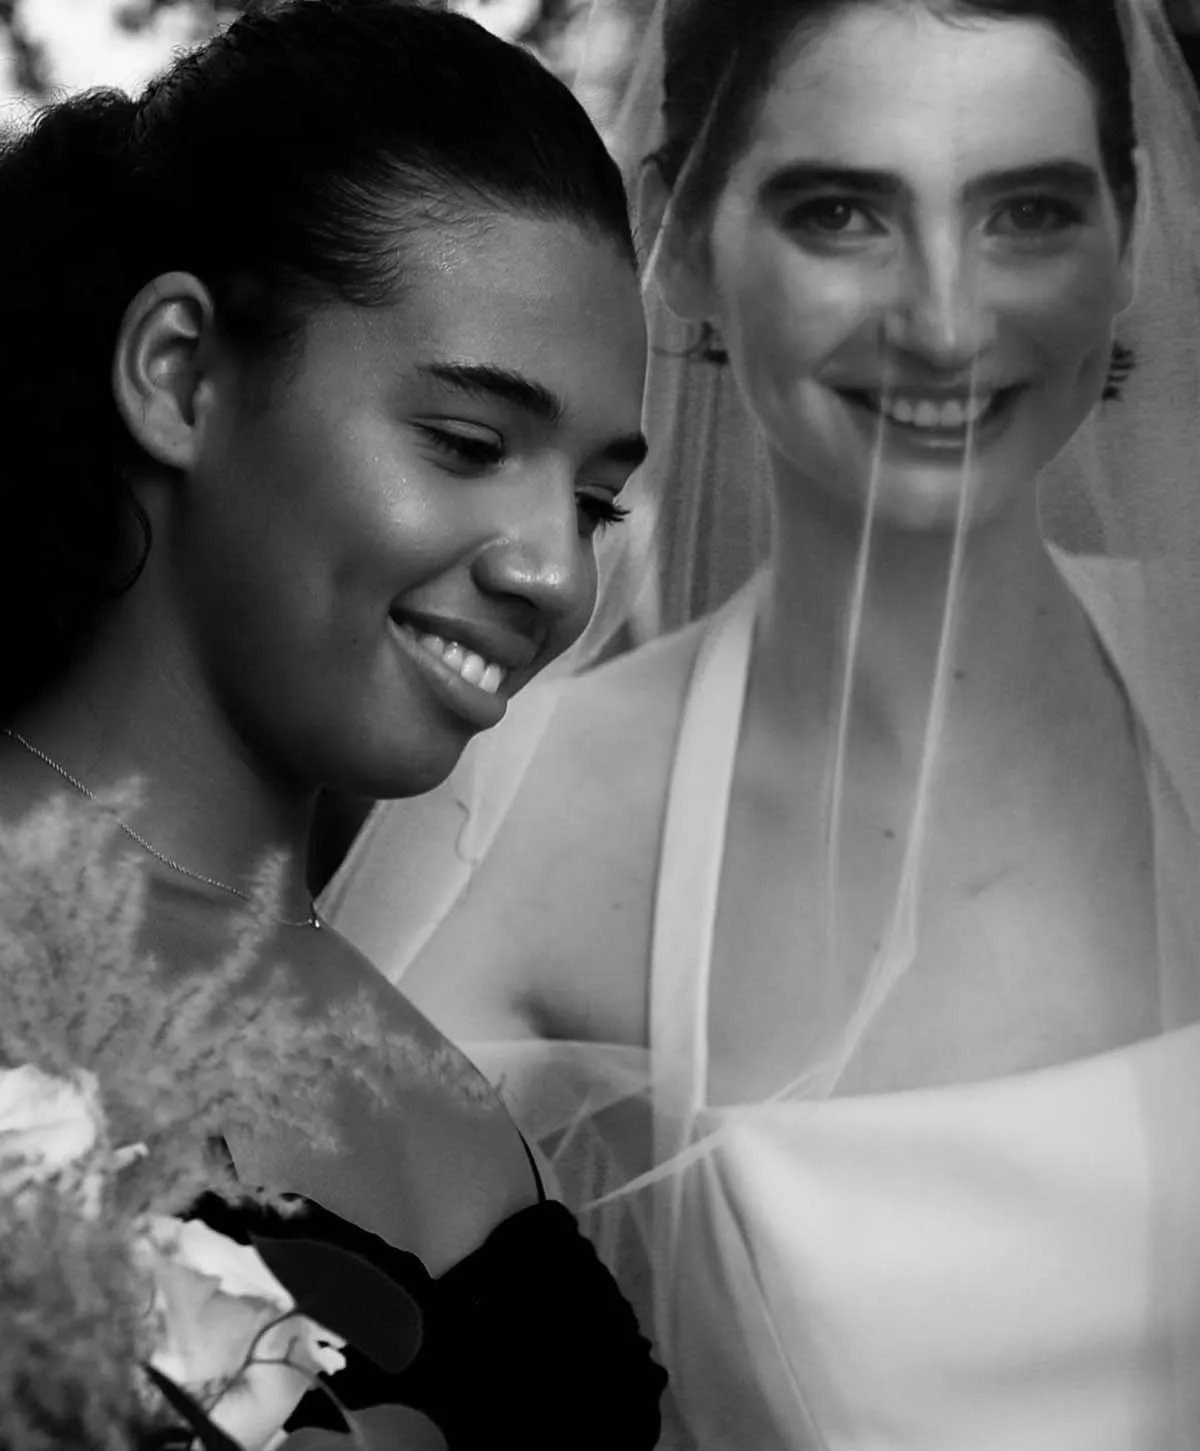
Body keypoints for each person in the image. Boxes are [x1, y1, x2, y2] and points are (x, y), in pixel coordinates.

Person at [321, 0, 1200, 1446]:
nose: (943, 321)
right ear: (683, 239)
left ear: (1130, 226)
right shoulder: (532, 813)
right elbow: (228, 1306)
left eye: (1028, 212)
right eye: (842, 212)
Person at [0, 1, 667, 1445]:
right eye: (468, 445)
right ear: (181, 373)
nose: (557, 573)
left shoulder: (439, 1073)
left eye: (594, 501)